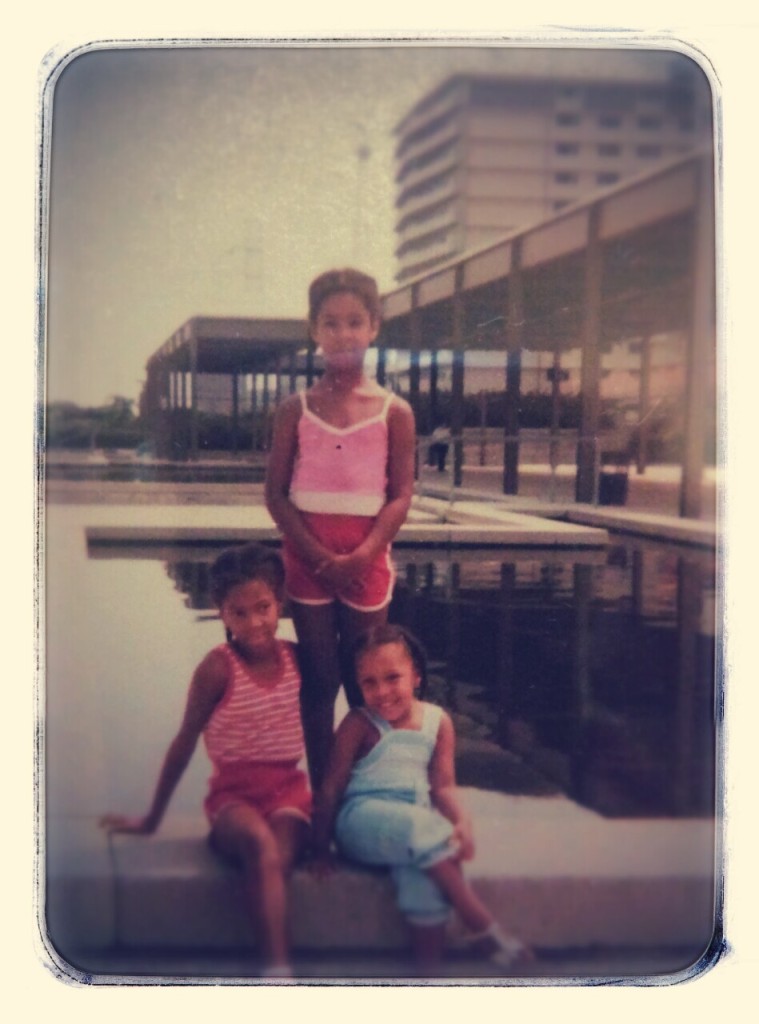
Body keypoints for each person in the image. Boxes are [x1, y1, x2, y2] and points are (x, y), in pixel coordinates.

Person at [100, 543, 311, 979]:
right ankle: (279, 975)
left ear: (280, 603)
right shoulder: (218, 668)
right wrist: (151, 819)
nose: (254, 622)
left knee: (277, 857)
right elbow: (184, 741)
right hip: (234, 799)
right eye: (240, 612)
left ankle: (276, 967)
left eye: (263, 608)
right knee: (258, 846)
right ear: (221, 613)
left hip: (290, 795)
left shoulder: (297, 659)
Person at [265, 268, 416, 791]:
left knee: (365, 683)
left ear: (374, 327)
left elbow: (400, 495)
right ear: (314, 330)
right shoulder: (295, 409)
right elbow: (276, 495)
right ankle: (321, 795)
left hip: (367, 562)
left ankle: (368, 790)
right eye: (331, 323)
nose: (344, 334)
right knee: (320, 680)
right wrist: (313, 555)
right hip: (306, 560)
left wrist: (363, 555)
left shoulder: (395, 412)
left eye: (355, 322)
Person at [311, 624, 530, 974]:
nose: (381, 692)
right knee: (419, 829)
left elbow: (442, 787)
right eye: (368, 682)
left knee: (423, 886)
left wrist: (462, 822)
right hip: (361, 823)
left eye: (392, 677)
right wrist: (320, 847)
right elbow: (331, 788)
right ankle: (482, 926)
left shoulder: (438, 722)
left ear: (415, 675)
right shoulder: (358, 724)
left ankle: (428, 978)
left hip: (416, 833)